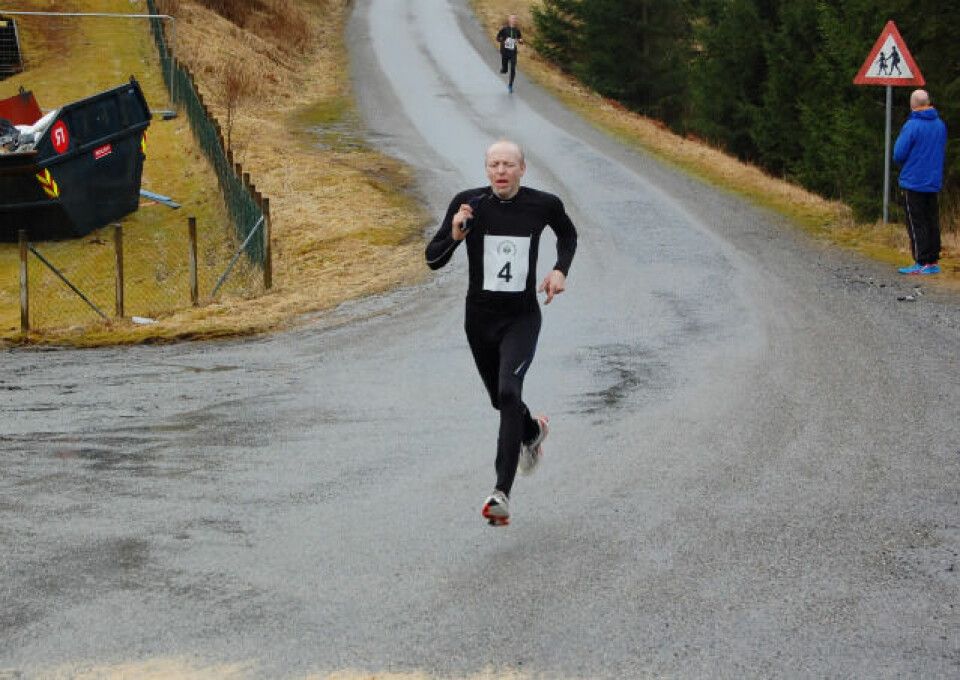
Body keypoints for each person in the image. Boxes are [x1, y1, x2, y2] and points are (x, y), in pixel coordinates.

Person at [425, 140, 578, 526]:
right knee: (500, 400)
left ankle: (501, 494)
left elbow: (568, 235)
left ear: (522, 169)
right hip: (479, 320)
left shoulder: (543, 204)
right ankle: (532, 430)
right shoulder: (469, 205)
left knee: (510, 392)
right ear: (487, 169)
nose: (501, 171)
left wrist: (560, 270)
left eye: (509, 164)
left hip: (521, 317)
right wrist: (457, 235)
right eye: (494, 165)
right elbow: (432, 259)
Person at [893, 89, 948, 275]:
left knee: (916, 222)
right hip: (933, 180)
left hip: (914, 180)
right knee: (932, 219)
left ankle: (921, 260)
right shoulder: (940, 125)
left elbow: (898, 153)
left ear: (913, 104)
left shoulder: (912, 125)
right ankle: (932, 260)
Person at [496, 14, 524, 93]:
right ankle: (504, 69)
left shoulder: (517, 30)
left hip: (513, 52)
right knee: (505, 69)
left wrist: (521, 41)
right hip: (504, 51)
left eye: (515, 19)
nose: (514, 20)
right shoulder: (504, 29)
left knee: (513, 68)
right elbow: (497, 38)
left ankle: (510, 85)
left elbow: (520, 38)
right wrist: (503, 41)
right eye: (513, 18)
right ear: (509, 20)